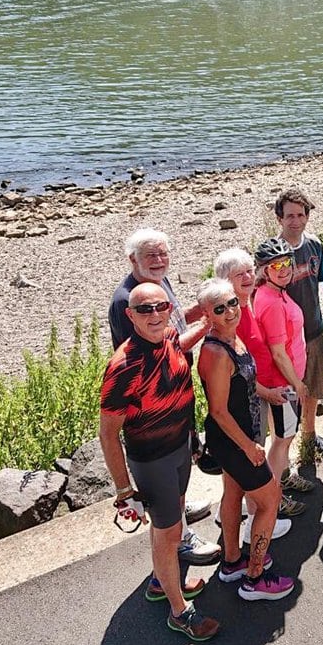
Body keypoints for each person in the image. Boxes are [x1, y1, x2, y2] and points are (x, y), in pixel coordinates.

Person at [99, 282, 219, 642]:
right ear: (129, 315)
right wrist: (124, 490)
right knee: (167, 533)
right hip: (152, 460)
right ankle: (180, 612)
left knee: (173, 519)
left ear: (169, 308)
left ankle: (159, 582)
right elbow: (108, 434)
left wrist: (208, 326)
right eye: (144, 309)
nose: (154, 314)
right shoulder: (123, 365)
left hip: (179, 447)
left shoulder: (167, 335)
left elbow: (177, 346)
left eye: (160, 306)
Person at [106, 228, 216, 562]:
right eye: (151, 255)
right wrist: (124, 490)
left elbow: (176, 328)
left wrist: (208, 313)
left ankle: (175, 508)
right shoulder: (129, 300)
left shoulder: (156, 285)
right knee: (164, 475)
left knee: (181, 462)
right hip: (154, 415)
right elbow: (150, 355)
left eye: (163, 253)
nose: (159, 260)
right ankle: (178, 537)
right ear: (132, 259)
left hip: (176, 395)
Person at [196, 279, 295, 602]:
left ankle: (232, 561)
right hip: (233, 439)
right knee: (270, 500)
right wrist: (249, 446)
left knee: (233, 492)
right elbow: (219, 411)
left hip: (239, 435)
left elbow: (246, 389)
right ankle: (255, 576)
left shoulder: (230, 338)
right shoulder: (215, 352)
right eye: (219, 309)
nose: (229, 312)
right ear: (207, 315)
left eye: (232, 304)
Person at [213, 248, 295, 539]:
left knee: (245, 467)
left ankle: (242, 522)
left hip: (256, 396)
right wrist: (268, 393)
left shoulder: (246, 304)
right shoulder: (232, 315)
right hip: (245, 401)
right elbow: (239, 368)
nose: (249, 277)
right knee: (247, 463)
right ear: (225, 281)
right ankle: (253, 525)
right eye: (240, 274)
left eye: (250, 270)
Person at [273, 188, 323, 461]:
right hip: (285, 340)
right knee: (288, 394)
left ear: (308, 217)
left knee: (313, 389)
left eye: (301, 215)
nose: (295, 221)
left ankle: (310, 438)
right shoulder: (273, 252)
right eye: (289, 216)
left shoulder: (314, 244)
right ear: (279, 218)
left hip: (313, 330)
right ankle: (283, 452)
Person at [252, 238, 311, 516]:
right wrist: (298, 384)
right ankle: (274, 497)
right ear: (264, 270)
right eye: (276, 264)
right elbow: (278, 352)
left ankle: (284, 477)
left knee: (282, 434)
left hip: (285, 378)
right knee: (283, 439)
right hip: (283, 382)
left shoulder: (275, 292)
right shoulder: (272, 302)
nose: (284, 268)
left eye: (287, 262)